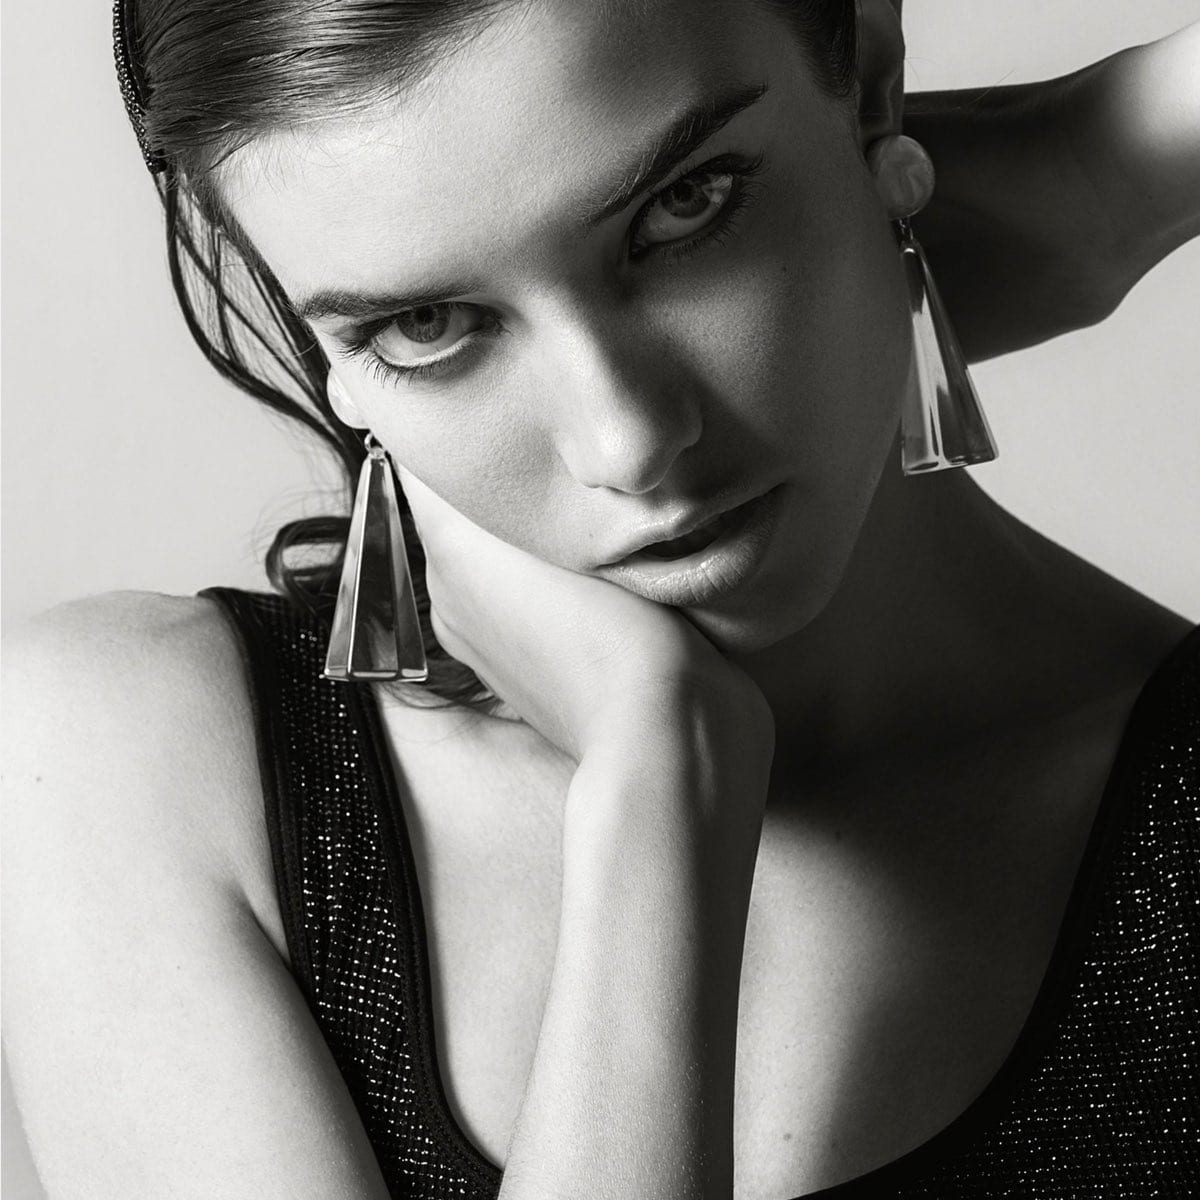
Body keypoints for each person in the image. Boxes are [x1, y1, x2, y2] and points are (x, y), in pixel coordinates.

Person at [4, 1, 1198, 1196]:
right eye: (425, 325)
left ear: (872, 77)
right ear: (332, 357)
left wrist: (1114, 157)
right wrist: (656, 787)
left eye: (686, 206)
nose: (627, 442)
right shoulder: (133, 762)